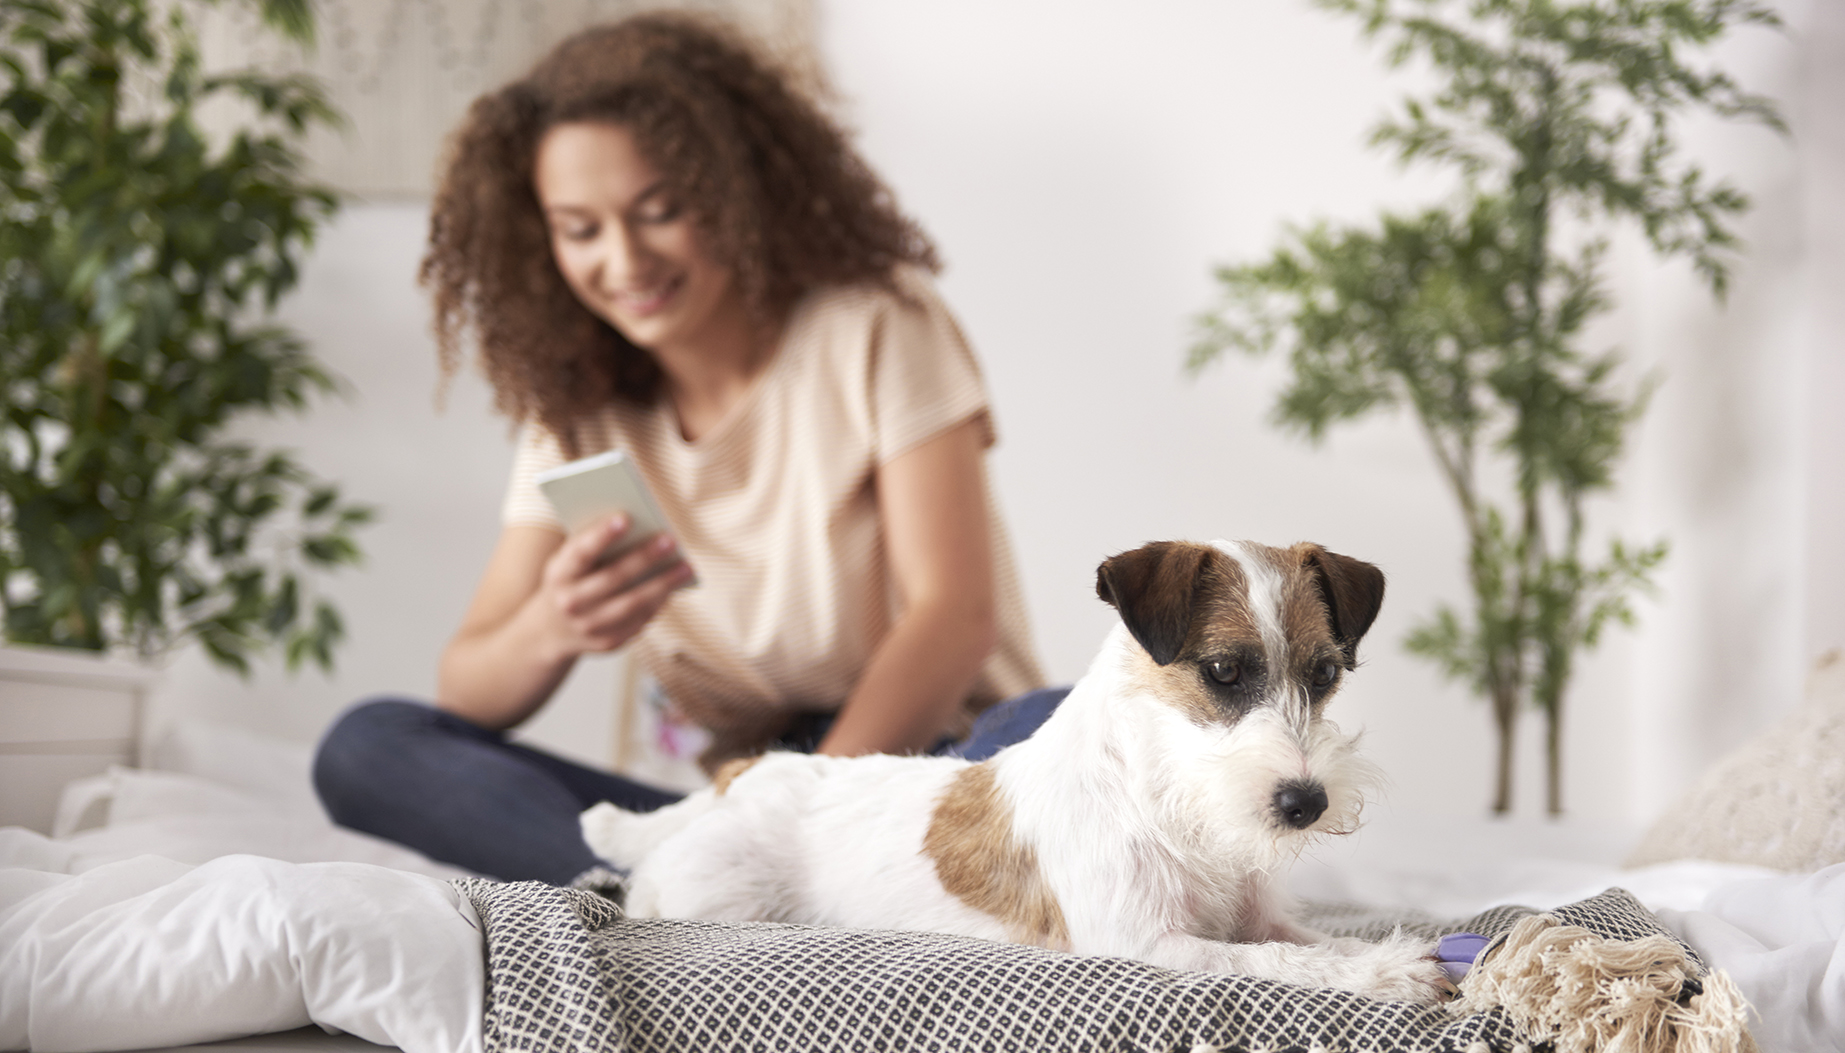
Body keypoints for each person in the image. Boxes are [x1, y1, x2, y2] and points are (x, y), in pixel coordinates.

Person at [312, 12, 1067, 887]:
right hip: (739, 793)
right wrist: (553, 627)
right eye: (579, 228)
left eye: (659, 210)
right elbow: (466, 690)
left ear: (735, 190)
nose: (623, 258)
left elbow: (953, 619)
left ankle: (711, 896)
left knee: (1053, 726)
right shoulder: (575, 409)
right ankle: (699, 892)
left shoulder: (875, 322)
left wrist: (790, 818)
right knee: (368, 745)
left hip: (928, 764)